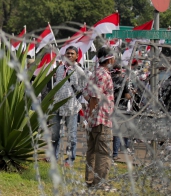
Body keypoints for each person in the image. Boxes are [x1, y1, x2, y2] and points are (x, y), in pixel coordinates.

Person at [83, 46, 115, 191]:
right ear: (110, 58)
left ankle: (89, 180)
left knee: (92, 152)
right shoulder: (104, 75)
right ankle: (100, 184)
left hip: (93, 121)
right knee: (103, 153)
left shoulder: (93, 74)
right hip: (101, 120)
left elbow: (86, 95)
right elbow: (95, 98)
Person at [51, 46, 83, 167]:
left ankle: (70, 159)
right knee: (55, 134)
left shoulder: (79, 71)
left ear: (76, 56)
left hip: (71, 107)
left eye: (72, 54)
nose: (69, 55)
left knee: (72, 135)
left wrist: (74, 95)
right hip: (57, 106)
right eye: (67, 53)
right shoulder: (59, 69)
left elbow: (83, 87)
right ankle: (54, 157)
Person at [111, 66, 132, 161]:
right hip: (120, 107)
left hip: (108, 106)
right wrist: (132, 95)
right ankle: (115, 153)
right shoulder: (123, 81)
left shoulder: (108, 79)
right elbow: (127, 95)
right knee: (118, 131)